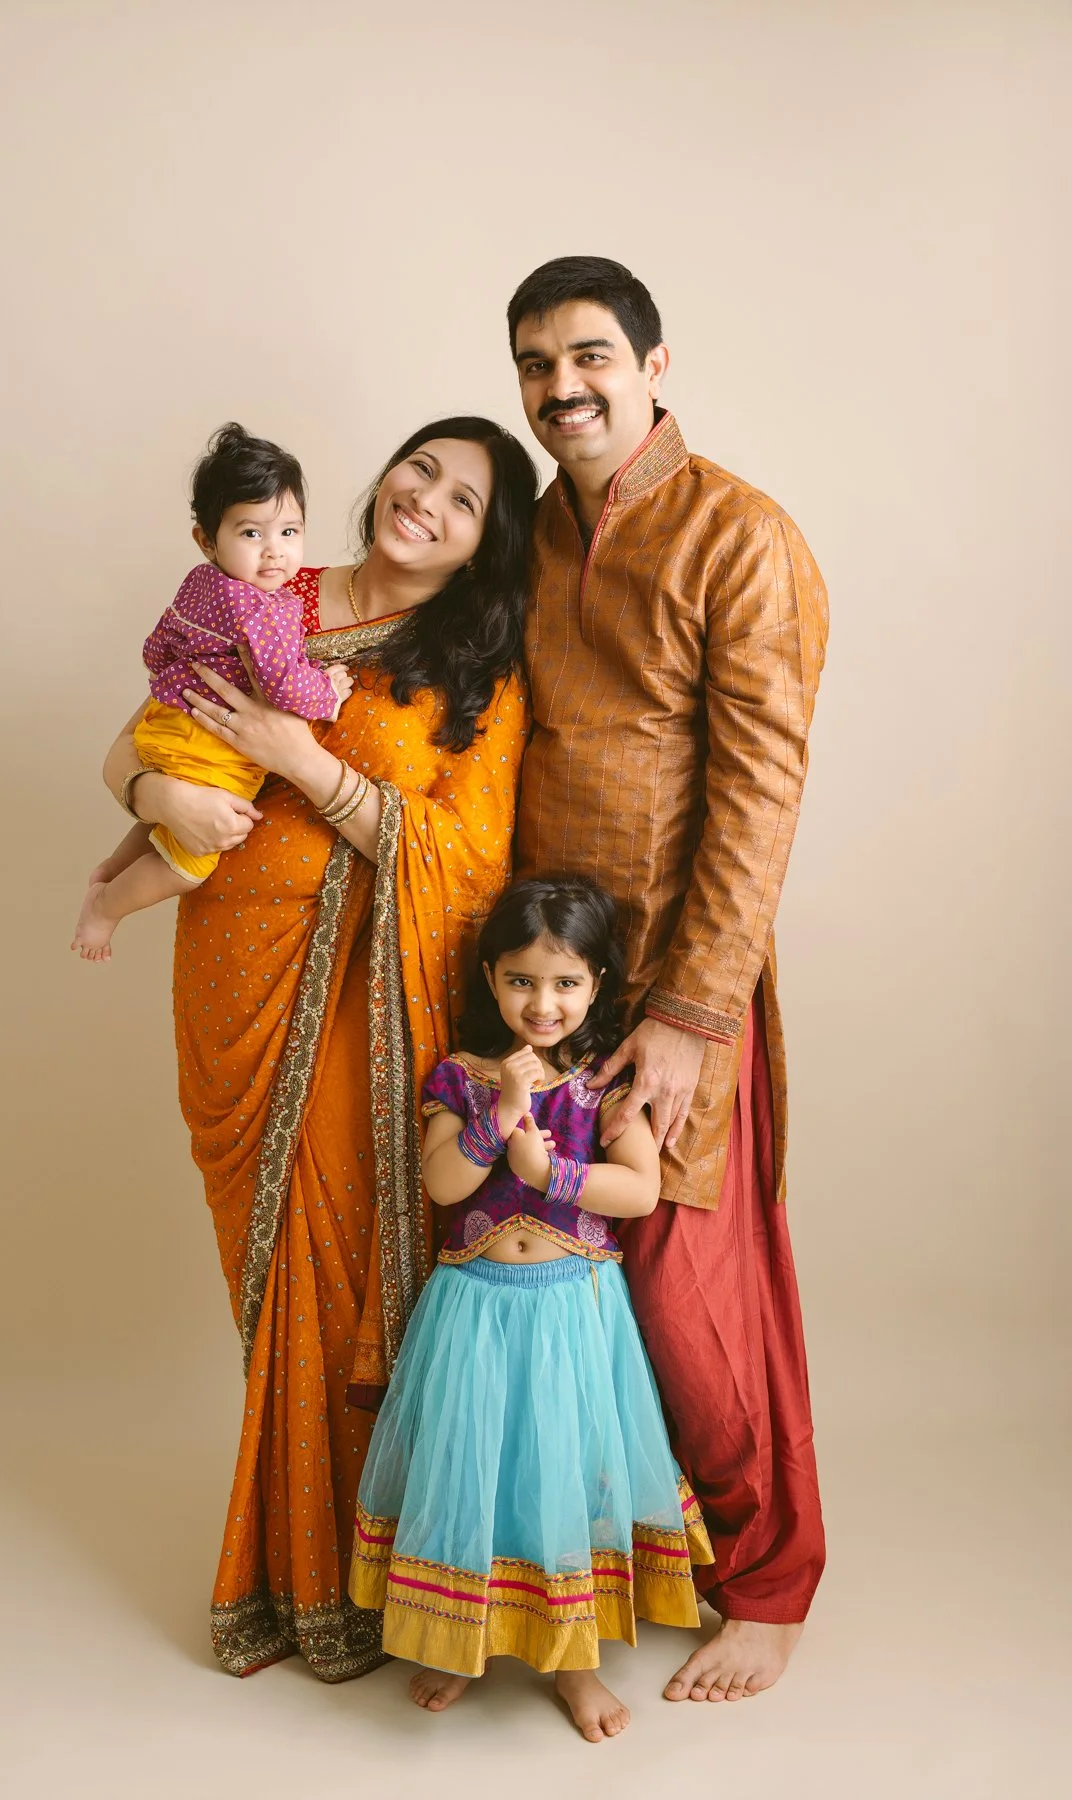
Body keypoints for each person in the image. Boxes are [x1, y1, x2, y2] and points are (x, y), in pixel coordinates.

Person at [100, 417, 538, 1681]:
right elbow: (141, 735)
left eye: (463, 503)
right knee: (266, 1271)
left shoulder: (477, 675)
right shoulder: (264, 584)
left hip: (363, 1013)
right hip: (233, 987)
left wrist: (304, 761)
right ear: (383, 471)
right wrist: (150, 795)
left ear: (478, 551)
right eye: (421, 469)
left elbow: (473, 862)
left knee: (337, 1280)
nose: (428, 502)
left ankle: (355, 1584)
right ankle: (296, 1579)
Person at [508, 255, 829, 1702]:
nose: (560, 385)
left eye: (588, 355)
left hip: (674, 988)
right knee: (552, 1275)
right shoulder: (525, 531)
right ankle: (616, 1568)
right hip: (536, 979)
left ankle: (769, 1586)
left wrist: (696, 1018)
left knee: (693, 1291)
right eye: (533, 361)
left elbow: (761, 796)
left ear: (654, 363)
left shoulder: (740, 536)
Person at [349, 877, 713, 1743]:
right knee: (466, 1465)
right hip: (473, 1311)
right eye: (521, 980)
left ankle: (573, 1663)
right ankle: (454, 1637)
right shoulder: (463, 1075)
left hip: (572, 1314)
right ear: (490, 978)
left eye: (564, 983)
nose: (542, 1003)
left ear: (596, 985)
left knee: (563, 1469)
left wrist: (554, 1175)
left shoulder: (603, 1081)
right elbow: (443, 1183)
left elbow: (641, 1191)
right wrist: (502, 1113)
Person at [72, 423, 351, 962]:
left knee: (168, 815)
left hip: (164, 723)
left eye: (289, 532)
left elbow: (156, 649)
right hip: (208, 749)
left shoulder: (200, 584)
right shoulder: (259, 608)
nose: (275, 553)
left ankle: (110, 866)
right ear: (207, 538)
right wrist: (327, 693)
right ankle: (106, 906)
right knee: (189, 863)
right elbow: (282, 684)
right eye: (252, 534)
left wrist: (176, 685)